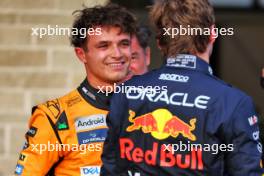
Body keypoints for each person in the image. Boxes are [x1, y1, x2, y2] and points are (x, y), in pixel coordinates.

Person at [100, 0, 264, 175]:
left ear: (159, 42)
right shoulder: (234, 102)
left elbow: (110, 169)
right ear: (213, 34)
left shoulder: (125, 91)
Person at [14, 3, 136, 176]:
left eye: (124, 43)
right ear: (81, 54)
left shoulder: (149, 106)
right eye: (104, 46)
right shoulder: (54, 116)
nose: (117, 53)